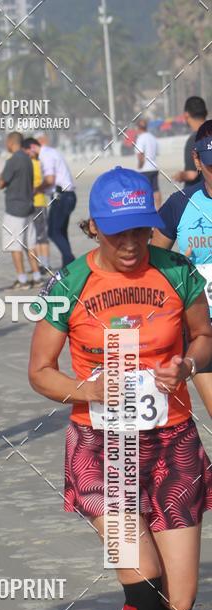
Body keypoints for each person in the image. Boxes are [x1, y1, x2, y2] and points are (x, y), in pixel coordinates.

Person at [29, 166, 212, 610]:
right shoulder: (70, 285)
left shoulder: (178, 271)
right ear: (94, 229)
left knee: (178, 600)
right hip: (101, 447)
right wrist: (89, 390)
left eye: (141, 230)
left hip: (173, 440)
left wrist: (185, 364)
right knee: (141, 589)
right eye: (118, 234)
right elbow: (39, 372)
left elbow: (206, 337)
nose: (132, 244)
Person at [153, 119, 212, 414]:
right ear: (197, 160)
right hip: (203, 328)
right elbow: (150, 260)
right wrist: (179, 266)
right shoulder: (180, 204)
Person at [0, 132, 41, 287]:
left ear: (11, 142)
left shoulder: (13, 160)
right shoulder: (28, 159)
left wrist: (0, 176)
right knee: (31, 244)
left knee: (15, 245)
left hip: (15, 209)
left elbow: (1, 184)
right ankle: (36, 276)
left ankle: (22, 280)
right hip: (28, 206)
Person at [25, 136, 76, 267]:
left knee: (53, 232)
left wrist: (36, 190)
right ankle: (68, 264)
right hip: (66, 196)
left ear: (32, 147)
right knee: (61, 232)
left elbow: (49, 179)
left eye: (28, 154)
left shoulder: (45, 155)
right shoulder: (51, 152)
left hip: (62, 196)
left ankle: (70, 260)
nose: (30, 157)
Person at [22, 138, 49, 274]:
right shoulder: (40, 163)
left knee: (32, 237)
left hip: (31, 203)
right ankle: (45, 264)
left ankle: (38, 265)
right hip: (42, 202)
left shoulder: (28, 164)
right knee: (42, 235)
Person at [173, 96, 207, 186]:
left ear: (186, 115)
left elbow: (192, 174)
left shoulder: (194, 139)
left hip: (201, 195)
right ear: (206, 113)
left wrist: (180, 175)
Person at [134, 118, 160, 208]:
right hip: (154, 167)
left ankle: (147, 208)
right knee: (156, 189)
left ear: (138, 128)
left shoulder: (141, 138)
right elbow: (156, 152)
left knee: (144, 191)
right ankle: (158, 208)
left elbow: (140, 154)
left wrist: (139, 166)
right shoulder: (152, 137)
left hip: (145, 169)